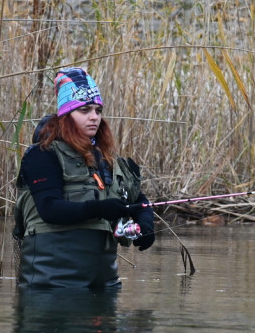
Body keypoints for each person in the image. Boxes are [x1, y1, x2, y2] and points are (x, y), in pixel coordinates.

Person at [13, 67, 155, 289]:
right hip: (50, 286)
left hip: (104, 285)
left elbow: (140, 202)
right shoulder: (42, 155)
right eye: (85, 110)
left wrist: (145, 224)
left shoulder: (109, 161)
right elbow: (49, 209)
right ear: (66, 115)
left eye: (98, 110)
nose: (94, 117)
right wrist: (100, 209)